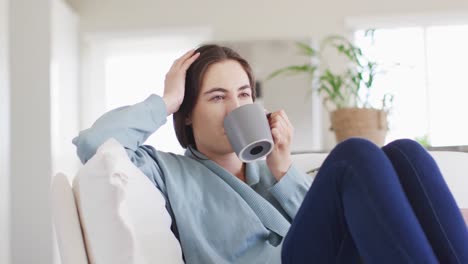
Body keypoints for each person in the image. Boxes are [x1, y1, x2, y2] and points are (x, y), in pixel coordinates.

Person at [73, 45, 468, 264]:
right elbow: (96, 144)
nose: (235, 108)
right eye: (217, 97)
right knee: (354, 156)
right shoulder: (165, 169)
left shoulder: (270, 171)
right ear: (189, 113)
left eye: (243, 95)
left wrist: (284, 171)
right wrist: (167, 99)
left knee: (406, 153)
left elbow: (325, 231)